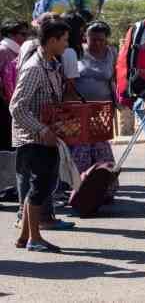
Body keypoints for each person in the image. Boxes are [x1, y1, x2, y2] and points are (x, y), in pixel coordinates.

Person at [10, 16, 71, 252]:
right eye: (64, 39)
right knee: (40, 188)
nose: (67, 44)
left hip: (45, 137)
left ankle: (26, 236)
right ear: (53, 40)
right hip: (34, 139)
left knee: (42, 187)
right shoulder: (34, 67)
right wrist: (41, 129)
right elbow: (16, 106)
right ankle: (35, 238)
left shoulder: (51, 63)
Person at [69, 21, 116, 175]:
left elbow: (114, 79)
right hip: (79, 110)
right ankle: (80, 185)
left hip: (102, 109)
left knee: (101, 147)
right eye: (93, 39)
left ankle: (102, 183)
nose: (97, 43)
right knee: (81, 148)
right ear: (85, 38)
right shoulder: (77, 52)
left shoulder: (112, 53)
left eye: (101, 40)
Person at [1, 20, 30, 151]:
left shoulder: (19, 52)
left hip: (15, 104)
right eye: (23, 34)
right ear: (10, 35)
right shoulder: (3, 50)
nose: (25, 38)